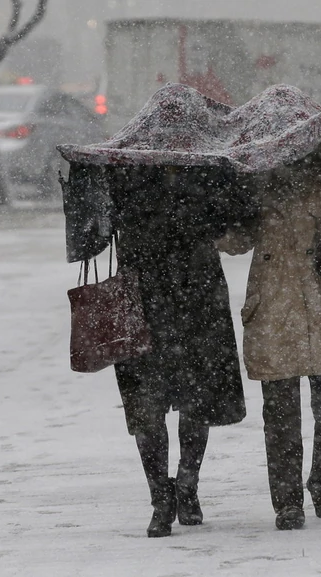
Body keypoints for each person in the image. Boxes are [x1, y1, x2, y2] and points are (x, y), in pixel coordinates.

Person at [218, 144, 321, 531]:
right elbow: (235, 241)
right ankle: (287, 502)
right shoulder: (251, 174)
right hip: (276, 304)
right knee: (279, 414)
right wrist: (220, 202)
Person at [110, 164, 252, 538]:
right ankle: (164, 497)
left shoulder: (201, 171)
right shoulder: (128, 171)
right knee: (149, 404)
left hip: (190, 294)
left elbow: (228, 223)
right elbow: (94, 231)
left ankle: (184, 488)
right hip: (153, 296)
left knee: (193, 396)